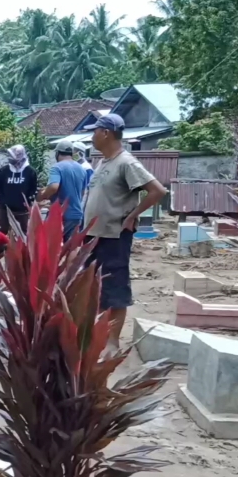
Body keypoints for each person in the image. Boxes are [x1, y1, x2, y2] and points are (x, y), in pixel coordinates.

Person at [83, 113, 167, 352]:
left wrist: (131, 216)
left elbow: (157, 190)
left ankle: (112, 342)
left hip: (113, 236)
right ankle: (97, 336)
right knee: (94, 288)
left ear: (106, 133)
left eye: (95, 131)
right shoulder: (103, 162)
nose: (92, 136)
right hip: (94, 235)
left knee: (115, 288)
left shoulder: (126, 162)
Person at [39, 142, 88, 240]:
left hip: (60, 215)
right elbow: (82, 193)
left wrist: (42, 195)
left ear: (57, 153)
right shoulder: (81, 169)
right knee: (70, 248)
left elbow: (53, 187)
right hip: (76, 214)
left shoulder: (57, 167)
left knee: (51, 246)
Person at [0, 145, 37, 236]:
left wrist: (28, 201)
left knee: (24, 233)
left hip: (23, 210)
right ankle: (2, 250)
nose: (10, 158)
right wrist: (1, 200)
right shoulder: (4, 171)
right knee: (2, 232)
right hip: (5, 209)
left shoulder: (30, 171)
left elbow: (33, 189)